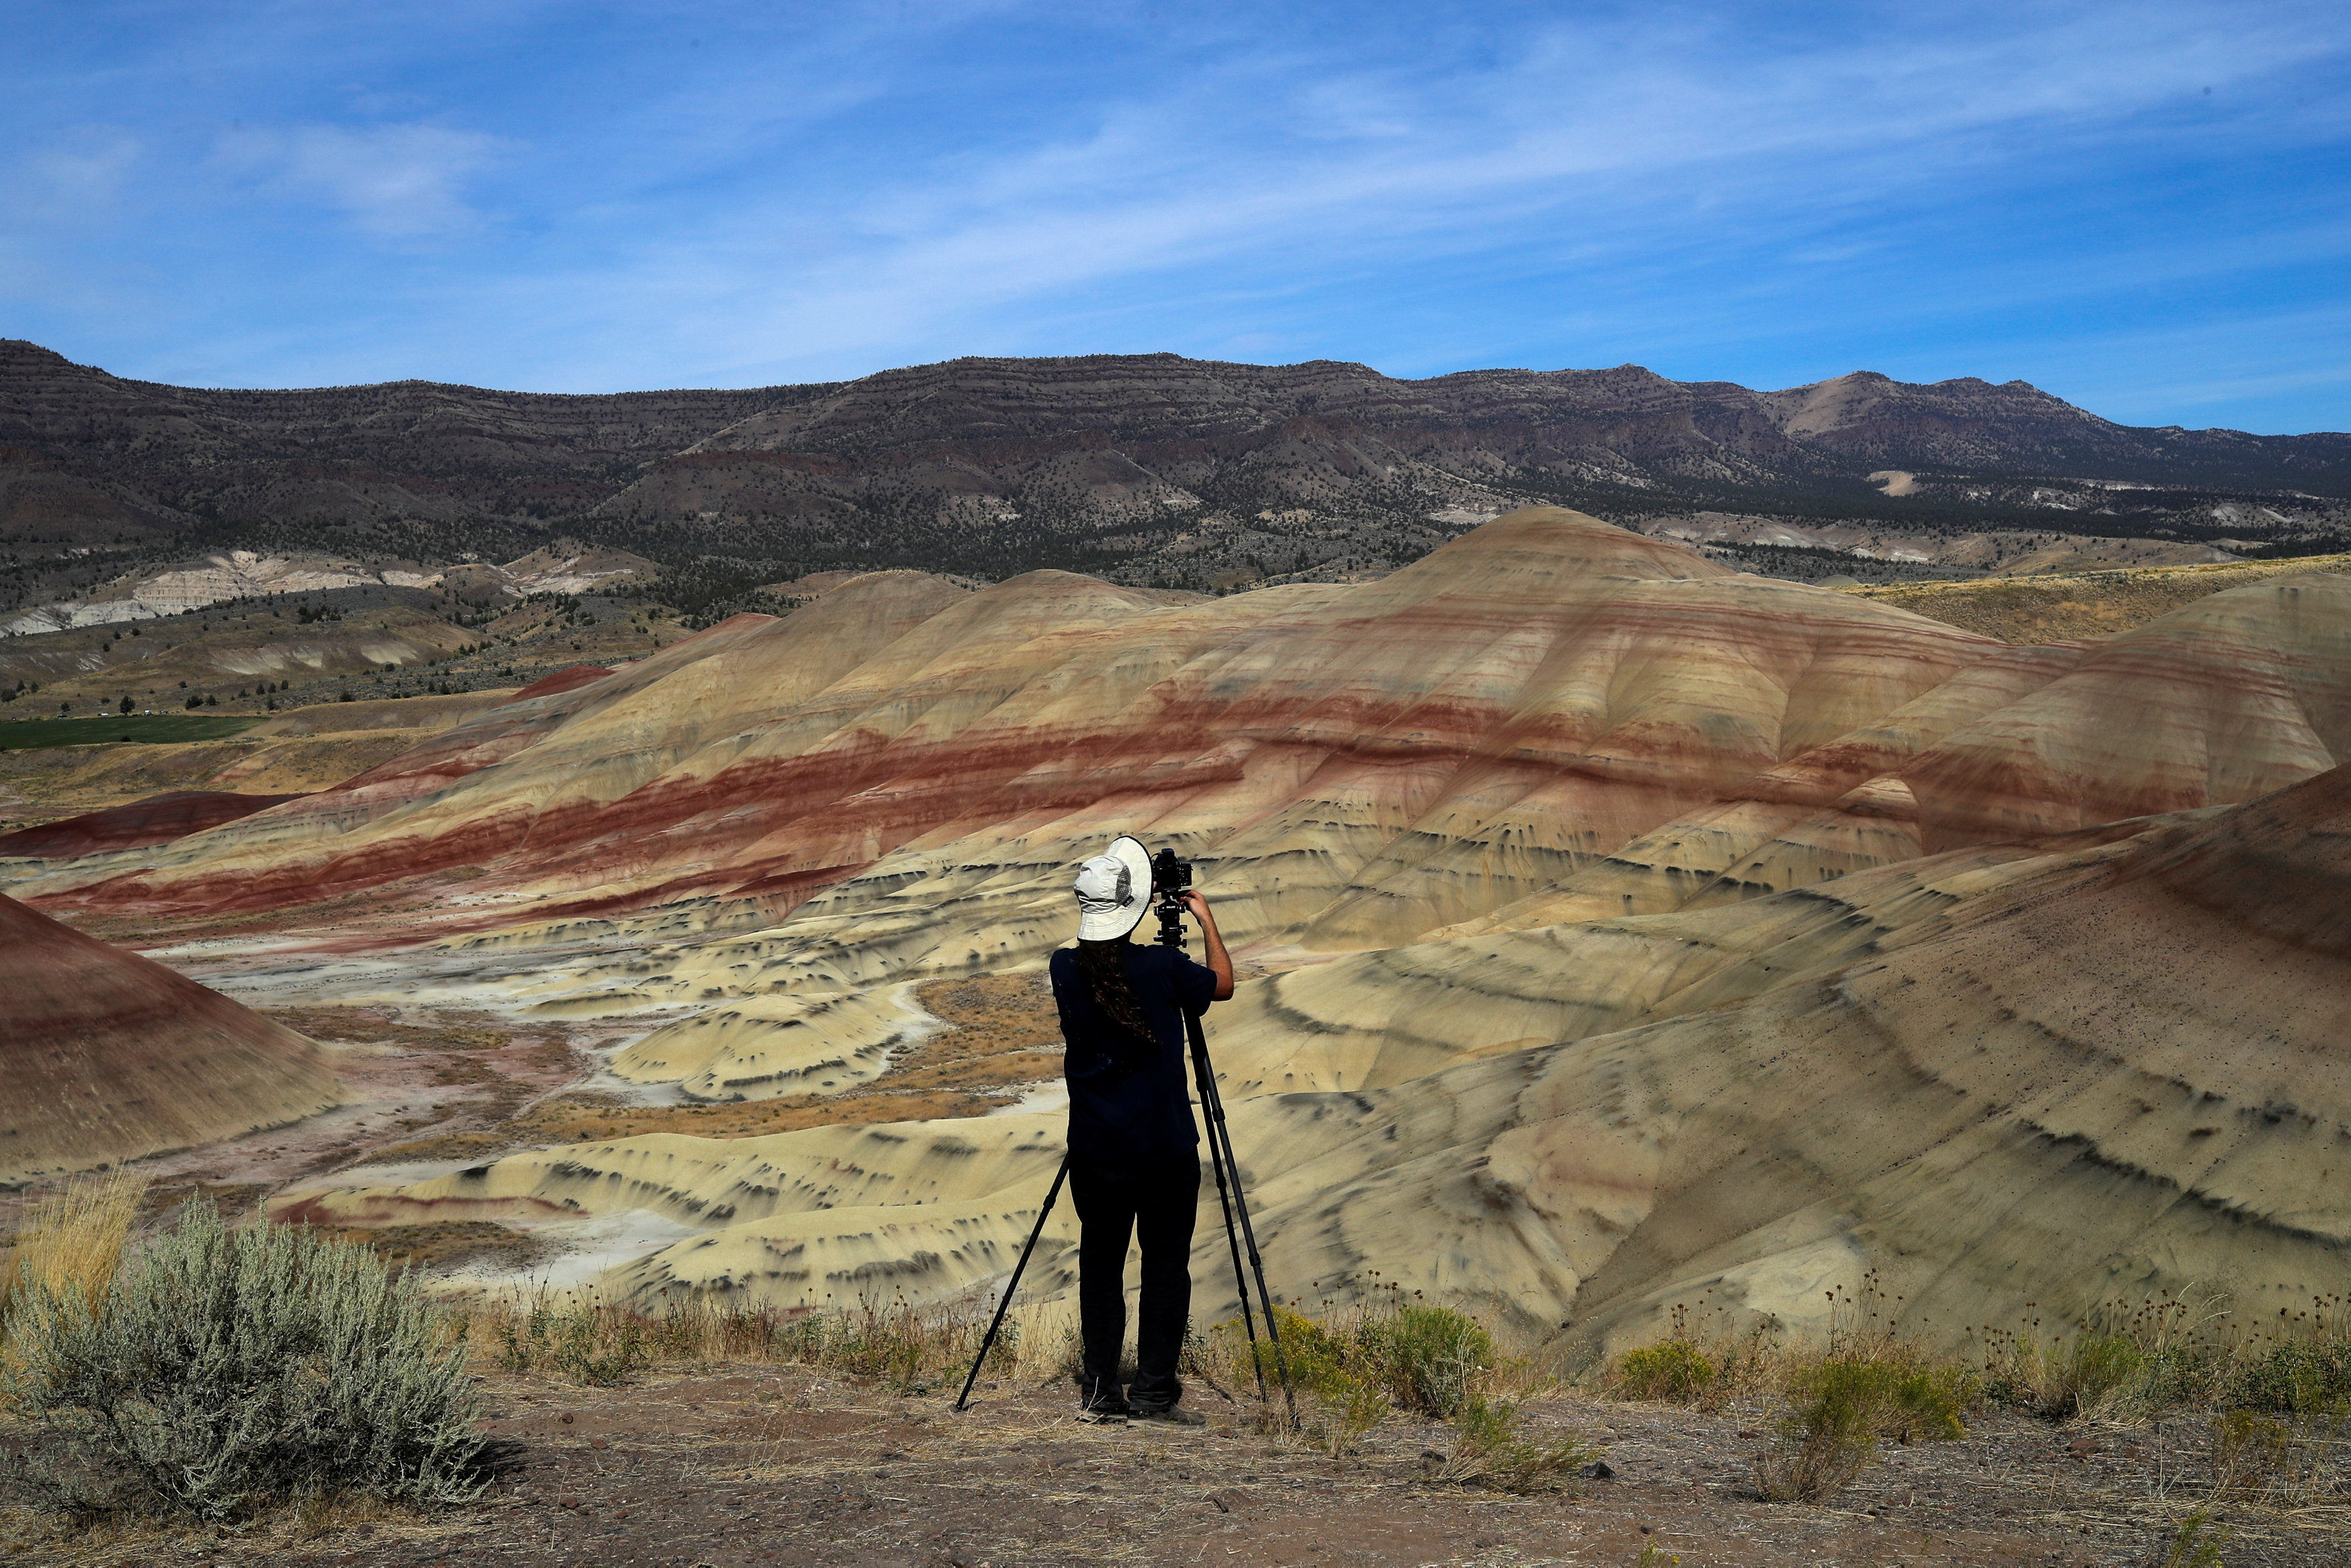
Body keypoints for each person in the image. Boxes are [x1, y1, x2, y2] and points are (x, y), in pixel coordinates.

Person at [1049, 834, 1233, 1426]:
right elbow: (1223, 984)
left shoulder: (1064, 966)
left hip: (1096, 1152)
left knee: (1100, 1266)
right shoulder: (1162, 968)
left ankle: (1102, 1391)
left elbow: (1105, 972)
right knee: (1164, 1268)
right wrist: (1203, 919)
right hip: (1163, 1151)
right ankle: (1153, 1394)